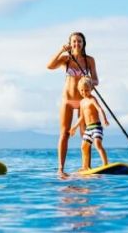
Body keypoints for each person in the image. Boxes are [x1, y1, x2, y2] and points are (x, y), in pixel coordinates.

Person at [47, 32, 99, 176]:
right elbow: (49, 66)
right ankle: (61, 169)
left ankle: (86, 167)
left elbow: (96, 81)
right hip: (67, 101)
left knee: (86, 134)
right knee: (64, 133)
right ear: (70, 43)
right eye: (74, 41)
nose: (77, 44)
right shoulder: (66, 59)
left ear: (84, 43)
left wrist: (89, 82)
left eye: (79, 41)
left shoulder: (90, 60)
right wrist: (61, 50)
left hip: (83, 101)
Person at [70, 76, 109, 170]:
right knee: (84, 147)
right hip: (88, 129)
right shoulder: (82, 102)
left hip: (96, 127)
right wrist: (74, 127)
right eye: (82, 90)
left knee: (97, 144)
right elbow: (82, 117)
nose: (84, 92)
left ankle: (105, 164)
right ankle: (85, 166)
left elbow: (100, 109)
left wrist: (104, 119)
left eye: (86, 90)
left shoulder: (93, 99)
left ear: (91, 89)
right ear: (79, 90)